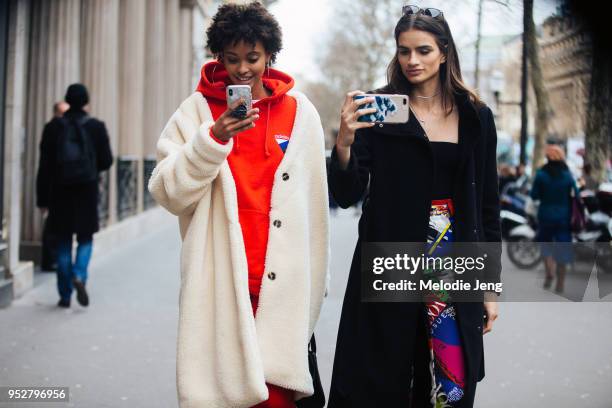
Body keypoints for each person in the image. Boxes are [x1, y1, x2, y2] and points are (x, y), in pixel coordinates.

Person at [147, 3, 329, 407]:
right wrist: (211, 139)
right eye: (232, 59)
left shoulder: (301, 114)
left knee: (277, 399)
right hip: (220, 286)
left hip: (282, 292)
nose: (243, 69)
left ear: (270, 55)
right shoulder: (195, 111)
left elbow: (316, 211)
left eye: (253, 58)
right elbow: (165, 191)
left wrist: (316, 285)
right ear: (218, 56)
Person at [327, 6, 501, 407]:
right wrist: (345, 142)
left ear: (443, 51)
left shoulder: (476, 116)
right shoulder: (378, 108)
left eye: (423, 50)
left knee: (451, 384)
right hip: (390, 257)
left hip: (455, 263)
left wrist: (490, 287)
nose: (412, 61)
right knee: (386, 379)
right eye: (404, 51)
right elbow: (348, 193)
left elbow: (487, 208)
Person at [36, 84, 113, 308]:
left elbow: (44, 167)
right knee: (85, 239)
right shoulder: (96, 127)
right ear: (86, 101)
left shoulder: (53, 128)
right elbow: (107, 161)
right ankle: (79, 274)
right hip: (86, 191)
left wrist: (42, 200)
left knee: (62, 242)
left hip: (59, 192)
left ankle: (65, 294)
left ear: (67, 100)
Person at [530, 144, 579, 293]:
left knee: (545, 245)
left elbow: (534, 195)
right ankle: (560, 283)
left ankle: (549, 272)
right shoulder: (568, 175)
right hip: (564, 217)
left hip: (545, 215)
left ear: (547, 157)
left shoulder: (541, 174)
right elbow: (576, 194)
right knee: (563, 247)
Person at [41, 101, 71, 272]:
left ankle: (53, 262)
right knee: (60, 231)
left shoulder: (53, 129)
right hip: (64, 188)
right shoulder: (62, 129)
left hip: (56, 188)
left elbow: (44, 165)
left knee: (56, 229)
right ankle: (75, 273)